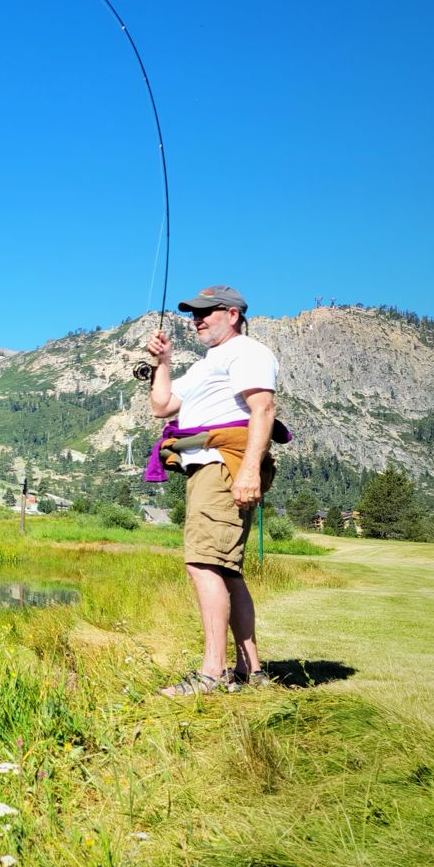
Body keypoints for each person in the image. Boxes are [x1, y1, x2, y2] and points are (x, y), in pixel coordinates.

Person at [143, 285, 284, 696]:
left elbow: (263, 410)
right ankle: (250, 671)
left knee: (203, 564)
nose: (197, 318)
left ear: (233, 315)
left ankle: (211, 674)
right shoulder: (210, 362)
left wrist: (249, 472)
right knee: (226, 570)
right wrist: (162, 362)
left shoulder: (248, 352)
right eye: (194, 313)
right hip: (210, 467)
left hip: (225, 464)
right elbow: (162, 405)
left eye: (207, 312)